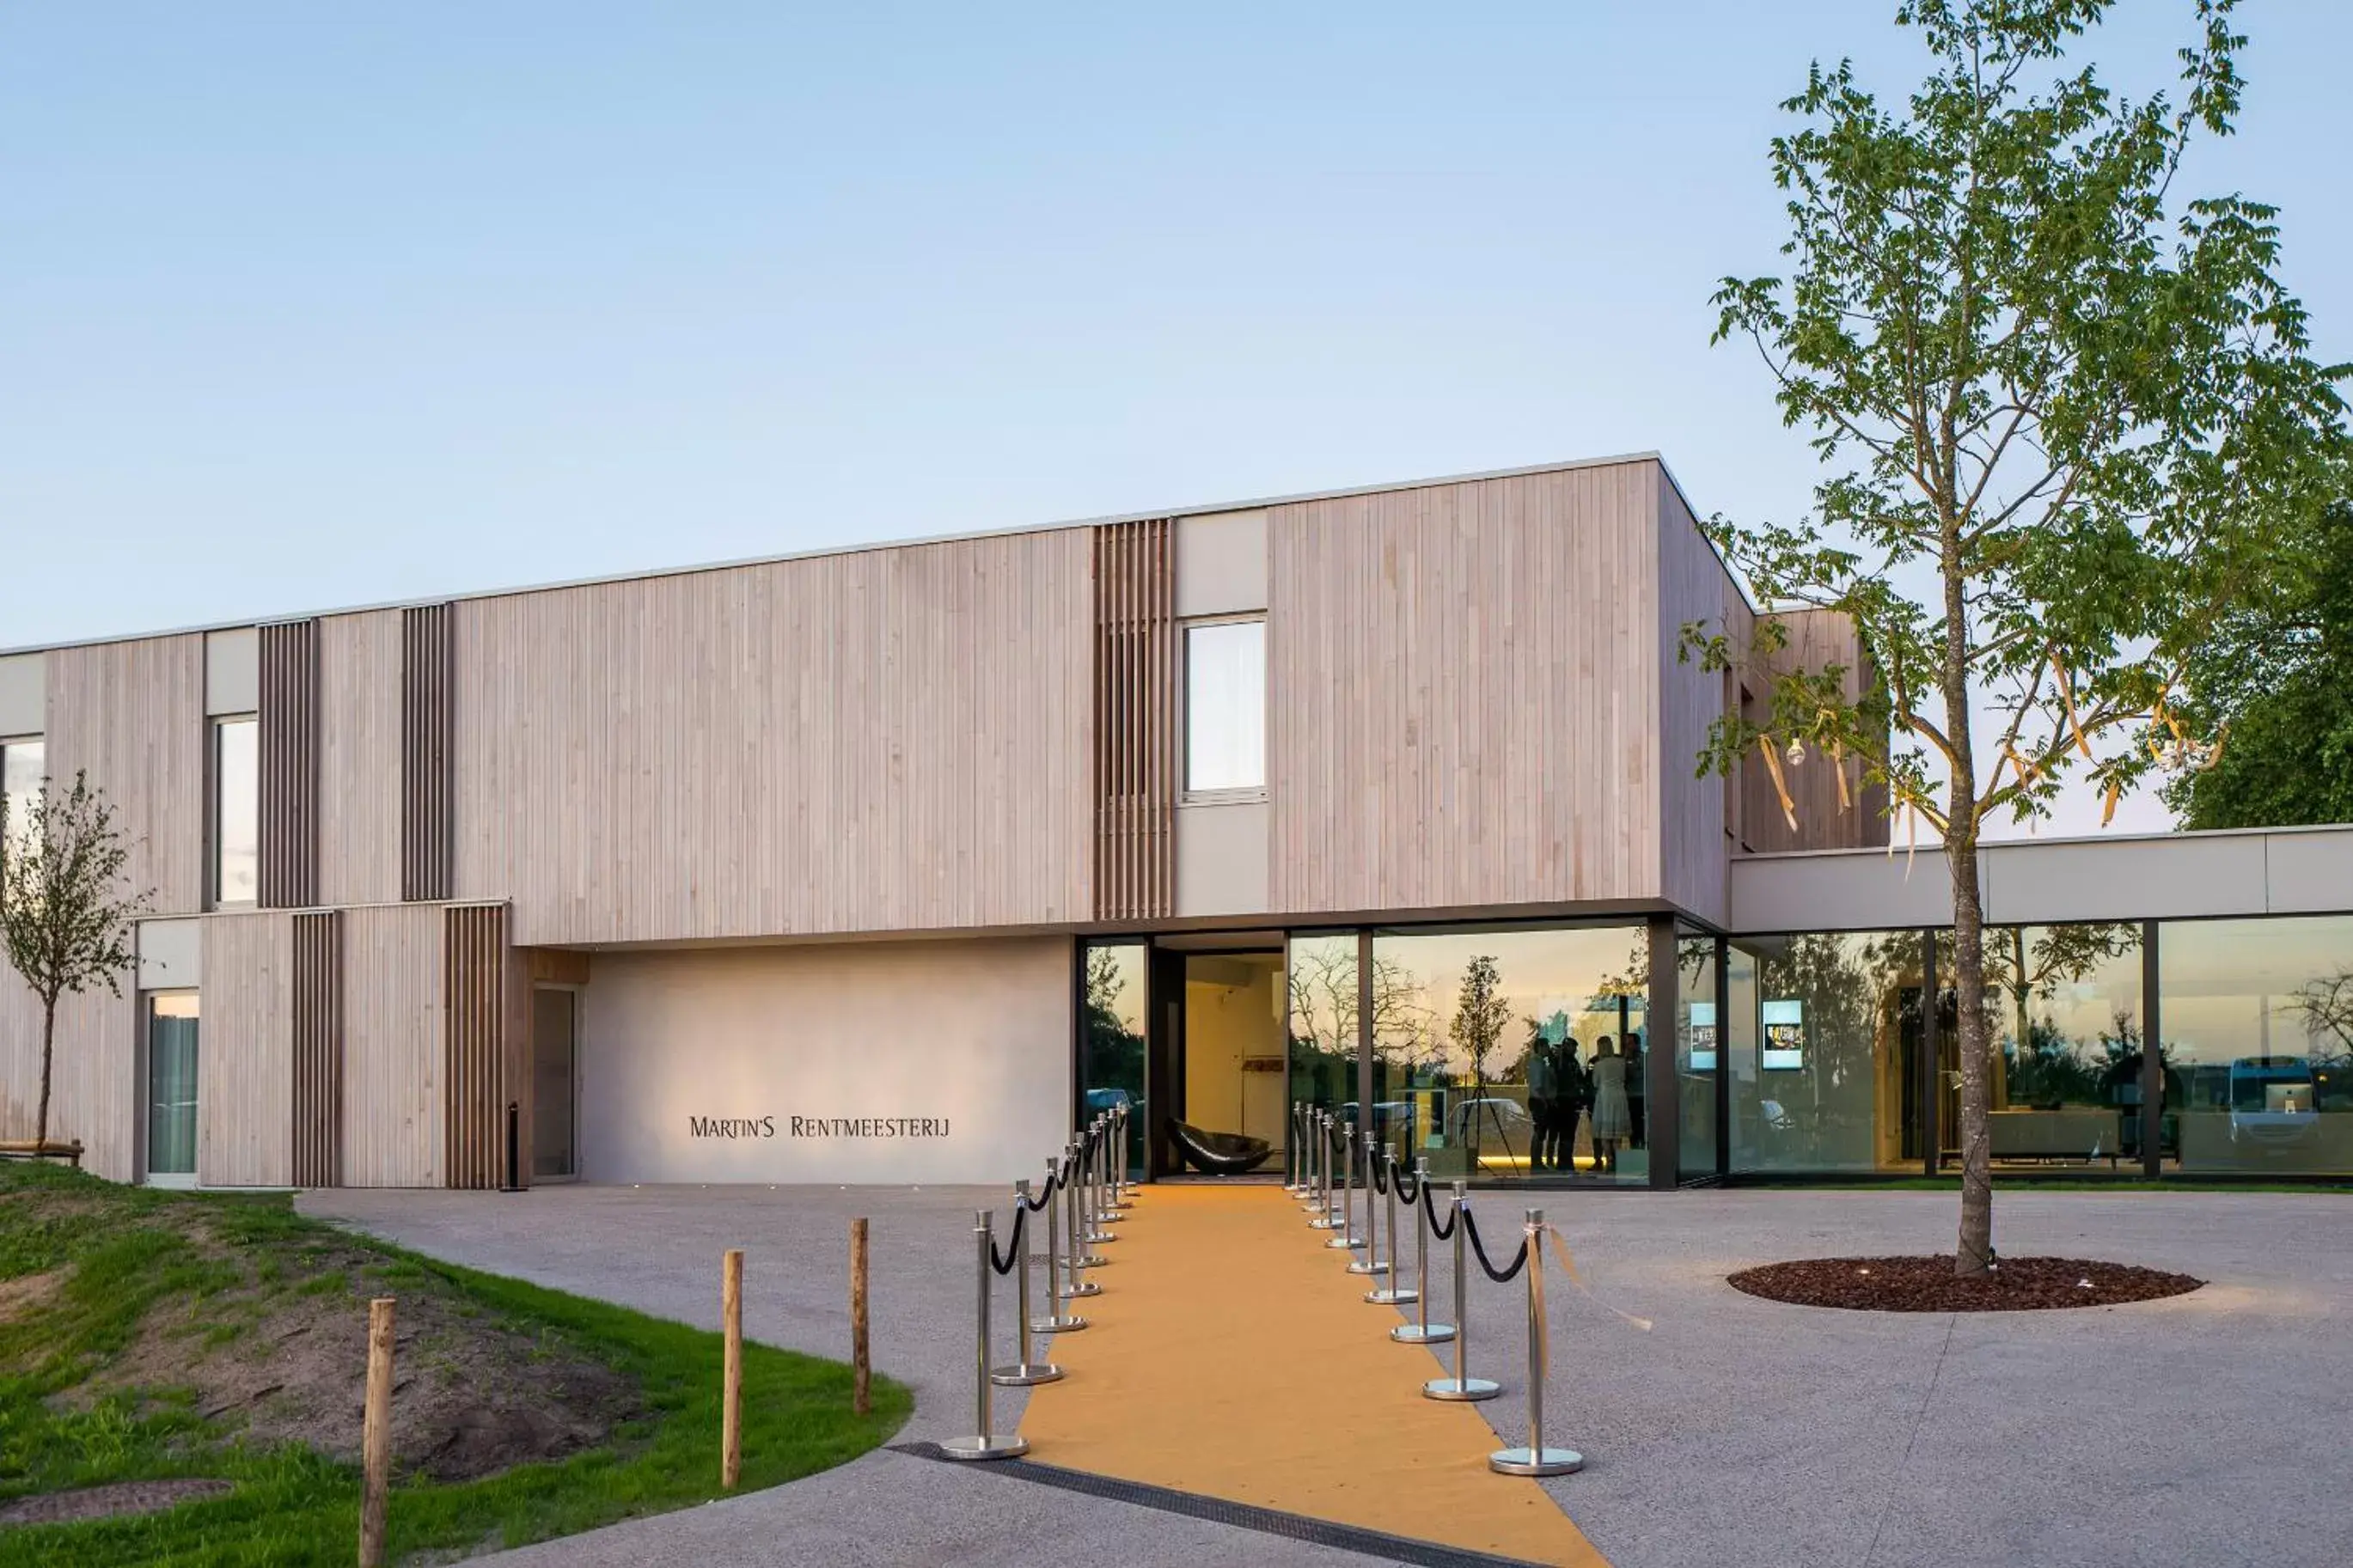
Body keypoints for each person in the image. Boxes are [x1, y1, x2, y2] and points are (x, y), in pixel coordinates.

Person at [1589, 1035, 1631, 1174]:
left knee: (1605, 1134)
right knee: (1617, 1135)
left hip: (1605, 1097)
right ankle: (1618, 1162)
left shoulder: (1599, 1065)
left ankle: (1610, 1161)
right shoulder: (1621, 1062)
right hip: (1619, 1096)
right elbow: (1624, 1079)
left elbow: (1595, 1083)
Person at [1525, 1033, 1560, 1173]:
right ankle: (1536, 1161)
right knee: (1539, 1132)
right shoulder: (1536, 1063)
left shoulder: (1539, 1063)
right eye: (1546, 1047)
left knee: (1540, 1131)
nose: (1548, 1050)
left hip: (1539, 1099)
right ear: (1540, 1047)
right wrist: (1545, 1101)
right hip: (1539, 1100)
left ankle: (1537, 1161)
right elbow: (1538, 1085)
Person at [1555, 1037, 1588, 1174]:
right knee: (1567, 1133)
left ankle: (1564, 1161)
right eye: (1573, 1047)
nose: (1575, 1050)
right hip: (1567, 1102)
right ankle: (1566, 1162)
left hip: (1568, 1101)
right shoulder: (1564, 1063)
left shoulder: (1567, 1062)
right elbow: (1576, 1080)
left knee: (1566, 1134)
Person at [1623, 1028, 1646, 1150]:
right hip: (1628, 1097)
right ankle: (1634, 1147)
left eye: (1630, 1043)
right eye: (1626, 1044)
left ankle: (1641, 1147)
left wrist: (1629, 1064)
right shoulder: (1623, 1059)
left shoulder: (1643, 1058)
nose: (1628, 1046)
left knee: (1640, 1125)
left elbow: (1636, 1075)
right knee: (1631, 1125)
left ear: (1637, 1044)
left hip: (1640, 1096)